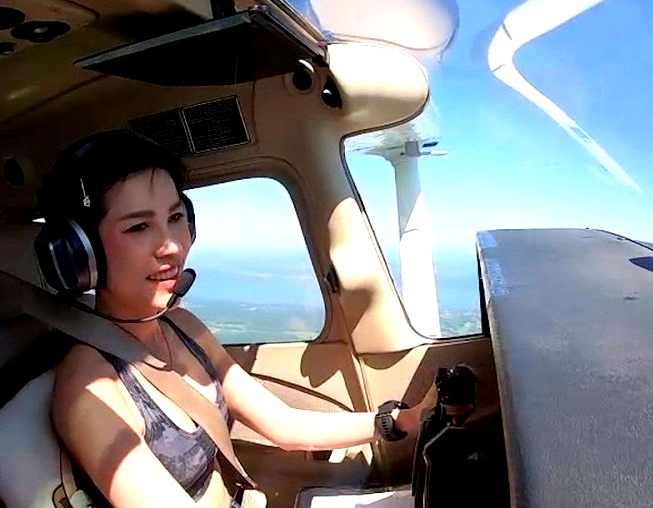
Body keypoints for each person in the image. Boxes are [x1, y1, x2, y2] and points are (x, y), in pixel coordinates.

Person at [37, 130, 426, 508]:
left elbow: (284, 425)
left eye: (176, 217)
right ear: (79, 254)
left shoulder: (182, 326)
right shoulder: (89, 386)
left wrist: (397, 421)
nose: (173, 245)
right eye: (139, 226)